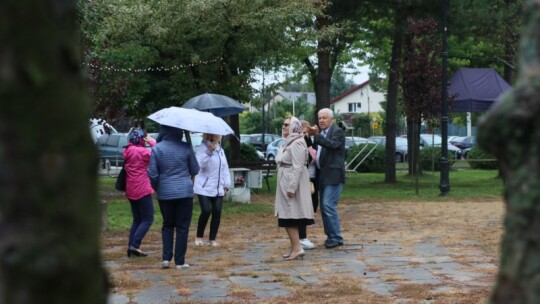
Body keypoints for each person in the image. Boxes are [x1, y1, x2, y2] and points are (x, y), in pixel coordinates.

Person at [148, 125, 200, 269]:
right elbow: (195, 169)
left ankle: (166, 258)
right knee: (183, 226)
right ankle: (179, 261)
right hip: (184, 192)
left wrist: (158, 187)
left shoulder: (157, 149)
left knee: (167, 225)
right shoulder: (186, 147)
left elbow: (152, 173)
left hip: (165, 192)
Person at [275, 116, 314, 260]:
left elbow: (298, 167)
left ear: (294, 126)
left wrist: (291, 187)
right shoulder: (288, 142)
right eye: (283, 124)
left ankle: (297, 248)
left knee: (290, 216)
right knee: (287, 216)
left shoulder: (297, 142)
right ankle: (295, 248)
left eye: (287, 124)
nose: (284, 127)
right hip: (286, 180)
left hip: (291, 183)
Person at [308, 108, 346, 249]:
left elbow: (332, 145)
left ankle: (336, 237)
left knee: (329, 205)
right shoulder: (321, 134)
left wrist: (317, 135)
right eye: (320, 118)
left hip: (333, 175)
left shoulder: (337, 132)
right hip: (322, 175)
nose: (322, 120)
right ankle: (331, 236)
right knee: (324, 207)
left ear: (332, 119)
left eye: (324, 118)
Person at [193, 133, 231, 247]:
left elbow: (225, 168)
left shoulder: (220, 150)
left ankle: (212, 239)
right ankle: (199, 236)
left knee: (217, 211)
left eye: (216, 135)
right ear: (207, 135)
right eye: (211, 135)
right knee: (206, 210)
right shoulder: (202, 148)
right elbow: (199, 166)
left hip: (218, 186)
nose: (213, 137)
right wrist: (208, 152)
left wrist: (226, 184)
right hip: (203, 186)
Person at [124, 128, 156, 258]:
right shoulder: (143, 152)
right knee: (148, 218)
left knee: (137, 219)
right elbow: (159, 153)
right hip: (142, 188)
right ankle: (135, 245)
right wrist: (152, 142)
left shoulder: (127, 150)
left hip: (130, 188)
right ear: (142, 139)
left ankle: (131, 246)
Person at [298, 120, 319, 250]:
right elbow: (309, 158)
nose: (305, 135)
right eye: (302, 132)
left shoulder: (314, 143)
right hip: (303, 180)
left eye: (307, 132)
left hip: (313, 179)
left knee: (312, 207)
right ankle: (301, 237)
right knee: (303, 210)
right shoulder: (301, 145)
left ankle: (302, 237)